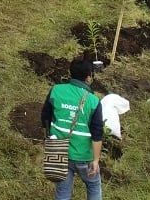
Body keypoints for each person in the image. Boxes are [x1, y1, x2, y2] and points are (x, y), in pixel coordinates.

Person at [41, 59, 104, 200]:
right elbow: (97, 133)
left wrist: (48, 140)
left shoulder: (56, 90)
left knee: (63, 191)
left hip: (59, 152)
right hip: (84, 156)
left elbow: (45, 117)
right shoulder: (93, 101)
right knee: (93, 186)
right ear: (88, 77)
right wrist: (95, 160)